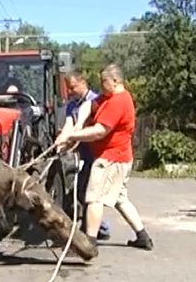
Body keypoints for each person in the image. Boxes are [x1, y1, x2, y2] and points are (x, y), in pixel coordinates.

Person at [54, 64, 153, 250]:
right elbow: (88, 106)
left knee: (94, 198)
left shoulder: (118, 102)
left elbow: (100, 131)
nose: (100, 85)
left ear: (114, 81)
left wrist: (72, 136)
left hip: (111, 158)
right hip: (118, 157)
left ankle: (89, 243)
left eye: (104, 81)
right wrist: (78, 124)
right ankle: (143, 237)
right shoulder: (107, 98)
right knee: (120, 199)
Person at [57, 71, 111, 240]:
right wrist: (61, 141)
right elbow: (69, 124)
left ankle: (90, 231)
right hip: (85, 155)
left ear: (82, 83)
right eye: (68, 88)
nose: (71, 91)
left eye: (72, 87)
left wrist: (72, 137)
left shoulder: (96, 101)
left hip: (98, 153)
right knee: (83, 192)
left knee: (90, 194)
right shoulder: (72, 104)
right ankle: (100, 227)